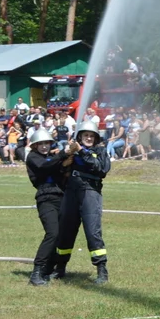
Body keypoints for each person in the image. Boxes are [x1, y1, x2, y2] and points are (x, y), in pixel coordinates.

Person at [55, 121, 112, 284]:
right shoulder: (74, 150)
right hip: (71, 192)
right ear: (79, 136)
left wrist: (82, 151)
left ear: (95, 138)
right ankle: (60, 268)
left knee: (92, 231)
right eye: (85, 135)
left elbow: (102, 169)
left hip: (90, 192)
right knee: (65, 230)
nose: (88, 138)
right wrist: (66, 153)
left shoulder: (100, 151)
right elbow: (58, 167)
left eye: (91, 136)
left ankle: (102, 271)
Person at [25, 127, 71, 286]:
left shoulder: (53, 157)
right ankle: (36, 273)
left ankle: (48, 269)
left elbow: (61, 169)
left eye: (47, 143)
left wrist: (70, 156)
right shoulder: (33, 157)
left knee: (59, 236)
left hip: (61, 197)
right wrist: (62, 154)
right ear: (35, 145)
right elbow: (46, 166)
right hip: (46, 199)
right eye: (41, 143)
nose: (44, 146)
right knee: (52, 233)